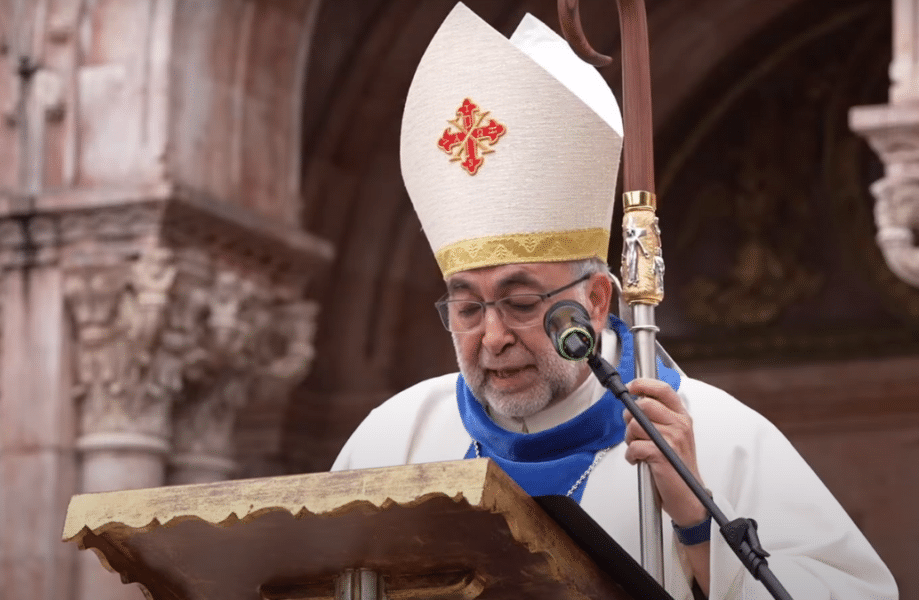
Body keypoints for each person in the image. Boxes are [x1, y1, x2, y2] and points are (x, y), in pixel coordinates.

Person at [330, 4, 898, 600]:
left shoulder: (717, 436)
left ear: (598, 299)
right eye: (468, 309)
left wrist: (697, 522)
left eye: (520, 303)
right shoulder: (394, 440)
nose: (493, 338)